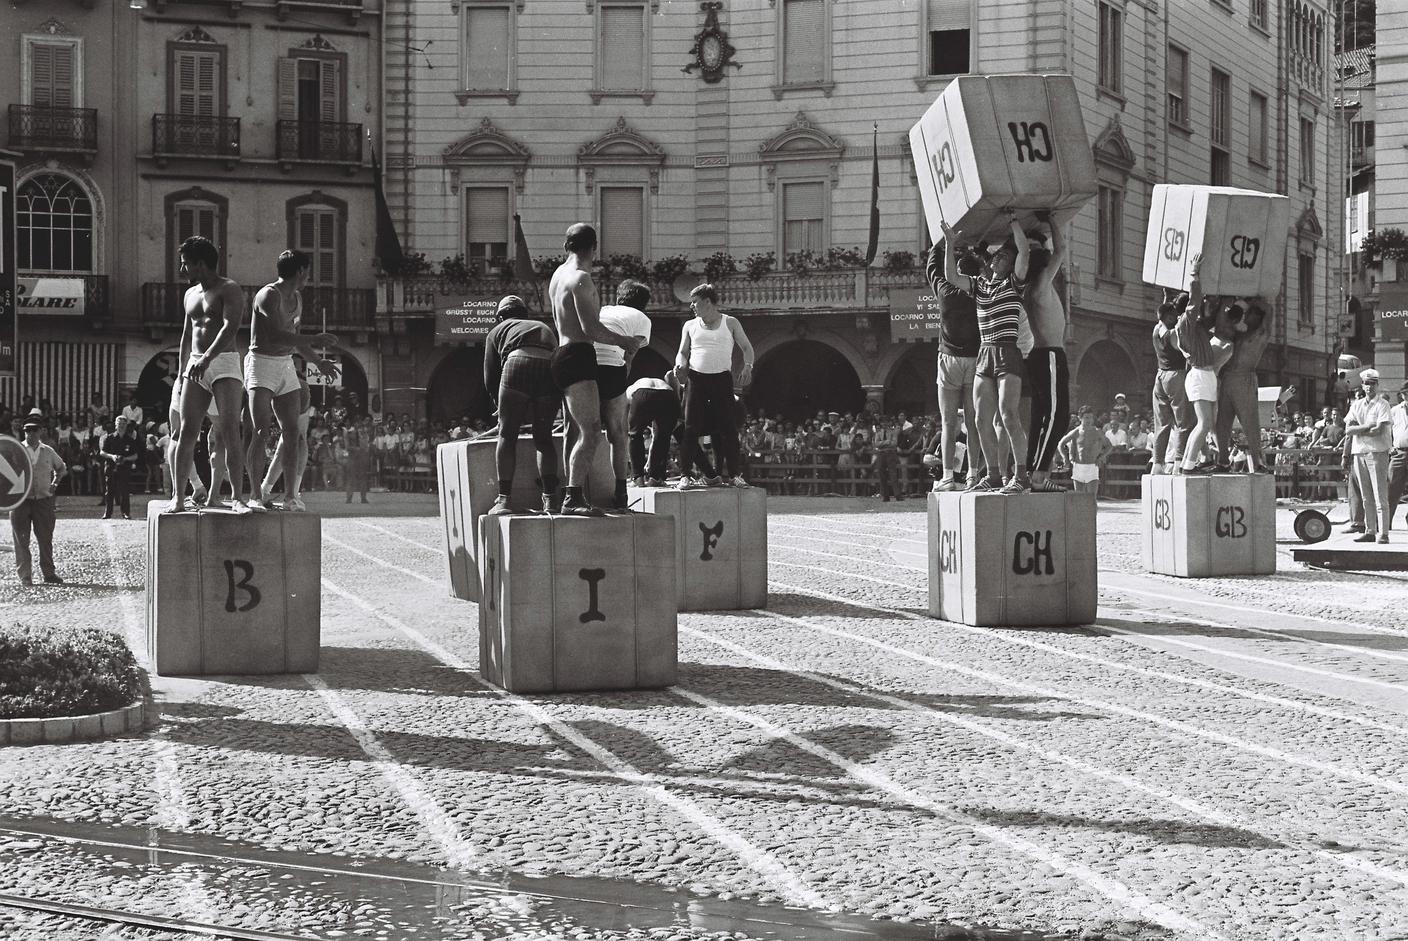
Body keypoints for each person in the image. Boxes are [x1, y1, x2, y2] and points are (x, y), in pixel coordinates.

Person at [548, 223, 639, 516]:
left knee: (572, 431)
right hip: (578, 354)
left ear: (567, 246)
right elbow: (591, 329)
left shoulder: (558, 276)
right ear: (594, 248)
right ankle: (572, 498)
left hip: (561, 353)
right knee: (591, 432)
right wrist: (625, 341)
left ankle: (566, 493)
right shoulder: (582, 279)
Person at [243, 250, 339, 513]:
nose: (308, 276)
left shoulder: (296, 297)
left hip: (284, 365)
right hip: (261, 364)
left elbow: (293, 339)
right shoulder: (268, 295)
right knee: (261, 431)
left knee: (292, 433)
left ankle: (289, 496)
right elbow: (275, 335)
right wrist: (314, 339)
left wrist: (318, 361)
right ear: (301, 271)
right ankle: (254, 495)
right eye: (307, 271)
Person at [941, 215, 1030, 493]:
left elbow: (1024, 250)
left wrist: (1013, 219)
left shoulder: (1014, 284)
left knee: (1008, 415)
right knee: (979, 419)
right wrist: (949, 244)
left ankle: (1021, 477)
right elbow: (951, 276)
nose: (997, 258)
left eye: (1004, 256)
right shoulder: (979, 285)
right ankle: (992, 475)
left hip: (1006, 351)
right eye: (997, 256)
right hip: (985, 352)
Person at [166, 236, 248, 514]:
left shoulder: (230, 288)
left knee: (228, 430)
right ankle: (178, 497)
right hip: (195, 364)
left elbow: (230, 328)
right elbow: (187, 335)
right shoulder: (190, 294)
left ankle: (237, 497)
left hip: (223, 362)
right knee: (186, 432)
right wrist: (180, 374)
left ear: (200, 263)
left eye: (185, 264)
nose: (182, 270)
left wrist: (208, 359)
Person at [482, 294, 561, 515]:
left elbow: (490, 378)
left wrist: (499, 406)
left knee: (507, 435)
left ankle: (504, 499)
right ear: (524, 314)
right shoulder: (542, 325)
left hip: (517, 363)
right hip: (550, 368)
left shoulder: (497, 331)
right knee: (544, 438)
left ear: (499, 317)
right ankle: (550, 499)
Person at [674, 282, 755, 489]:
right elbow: (683, 352)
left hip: (721, 380)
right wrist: (680, 364)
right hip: (696, 380)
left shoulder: (730, 323)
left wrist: (748, 366)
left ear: (708, 302)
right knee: (690, 428)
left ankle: (735, 475)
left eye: (695, 302)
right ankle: (685, 475)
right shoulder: (690, 325)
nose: (691, 306)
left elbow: (746, 347)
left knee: (728, 428)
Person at [581, 279, 652, 510]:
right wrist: (621, 382)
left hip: (585, 364)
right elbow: (629, 355)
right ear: (643, 303)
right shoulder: (642, 319)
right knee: (618, 434)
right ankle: (621, 493)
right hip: (612, 366)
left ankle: (573, 491)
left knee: (581, 432)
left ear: (619, 297)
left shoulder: (604, 310)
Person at [924, 238, 984, 492]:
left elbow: (933, 269)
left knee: (948, 422)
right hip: (975, 358)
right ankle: (971, 475)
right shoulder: (982, 292)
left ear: (958, 272)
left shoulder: (944, 290)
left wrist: (938, 246)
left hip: (949, 358)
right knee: (974, 422)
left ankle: (947, 476)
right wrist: (981, 254)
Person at [1021, 212, 1071, 492]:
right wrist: (1052, 218)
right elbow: (1061, 249)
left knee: (1041, 416)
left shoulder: (1029, 287)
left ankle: (1034, 470)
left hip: (1040, 355)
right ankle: (1039, 475)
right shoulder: (1040, 283)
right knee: (1056, 416)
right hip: (1050, 354)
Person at [1173, 255, 1235, 474]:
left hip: (1204, 374)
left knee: (1205, 423)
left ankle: (1187, 464)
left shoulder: (1192, 326)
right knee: (1205, 423)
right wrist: (1194, 274)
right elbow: (1194, 300)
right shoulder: (1186, 322)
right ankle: (1189, 466)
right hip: (1199, 375)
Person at [1213, 298, 1272, 473]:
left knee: (1250, 422)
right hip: (1228, 378)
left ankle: (1258, 462)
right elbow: (1220, 327)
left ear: (1258, 317)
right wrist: (1226, 303)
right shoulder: (1238, 334)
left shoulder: (1261, 334)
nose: (1246, 316)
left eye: (1251, 314)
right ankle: (1223, 460)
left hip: (1245, 378)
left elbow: (1269, 309)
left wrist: (1251, 297)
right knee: (1222, 422)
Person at [11, 417, 66, 585]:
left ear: (41, 431)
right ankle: (25, 576)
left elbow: (62, 467)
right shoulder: (17, 449)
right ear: (24, 432)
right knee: (21, 540)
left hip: (43, 500)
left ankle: (49, 573)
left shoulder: (48, 451)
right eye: (28, 430)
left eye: (34, 430)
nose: (31, 433)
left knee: (45, 538)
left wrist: (55, 483)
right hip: (21, 501)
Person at [1345, 368, 1393, 543]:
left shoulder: (1383, 405)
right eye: (1366, 383)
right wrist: (1366, 426)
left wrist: (1360, 429)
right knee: (1366, 495)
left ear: (1377, 385)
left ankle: (1384, 533)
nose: (1369, 387)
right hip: (1359, 452)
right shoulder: (1356, 405)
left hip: (1377, 452)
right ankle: (1370, 530)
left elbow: (1379, 430)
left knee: (1380, 494)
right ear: (1362, 385)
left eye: (1372, 384)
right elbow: (1348, 430)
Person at [1150, 294, 1192, 474]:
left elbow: (1163, 309)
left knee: (1162, 423)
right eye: (1174, 314)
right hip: (1175, 375)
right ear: (1167, 317)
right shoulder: (1173, 333)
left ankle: (1157, 464)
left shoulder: (1156, 328)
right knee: (1183, 421)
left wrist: (1167, 297)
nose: (1176, 316)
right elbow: (1186, 352)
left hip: (1159, 375)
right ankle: (1178, 462)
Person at [627, 372, 681, 487]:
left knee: (635, 435)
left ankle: (638, 478)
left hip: (643, 393)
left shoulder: (631, 390)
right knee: (663, 438)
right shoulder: (663, 384)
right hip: (669, 395)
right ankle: (656, 478)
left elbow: (629, 424)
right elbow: (655, 436)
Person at [1057, 407, 1111, 497]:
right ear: (1080, 417)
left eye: (1091, 417)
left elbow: (1109, 446)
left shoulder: (1097, 432)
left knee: (1091, 498)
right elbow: (1061, 444)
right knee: (1079, 498)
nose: (1089, 420)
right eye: (1086, 417)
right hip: (1078, 466)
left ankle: (1093, 511)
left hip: (1092, 466)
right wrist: (1065, 458)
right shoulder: (1076, 432)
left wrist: (1101, 457)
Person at [100, 415, 138, 519]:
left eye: (123, 424)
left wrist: (125, 459)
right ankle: (107, 513)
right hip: (111, 467)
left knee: (124, 491)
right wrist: (112, 456)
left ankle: (126, 512)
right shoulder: (109, 438)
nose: (121, 426)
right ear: (115, 425)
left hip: (124, 468)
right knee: (109, 491)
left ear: (126, 426)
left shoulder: (130, 440)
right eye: (119, 424)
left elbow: (135, 455)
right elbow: (102, 452)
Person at [1387, 381, 1408, 530]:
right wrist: (1389, 447)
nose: (1407, 396)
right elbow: (1386, 432)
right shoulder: (1394, 410)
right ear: (1401, 395)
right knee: (1391, 487)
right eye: (1405, 394)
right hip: (1399, 452)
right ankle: (1385, 522)